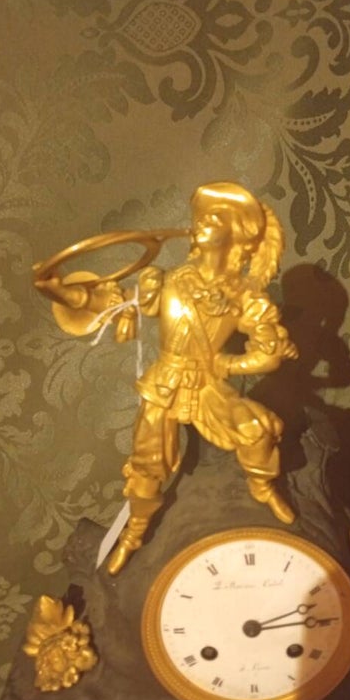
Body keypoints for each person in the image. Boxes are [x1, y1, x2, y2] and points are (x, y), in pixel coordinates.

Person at [35, 182, 298, 573]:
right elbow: (109, 301)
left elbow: (268, 355)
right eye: (201, 217)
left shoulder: (246, 298)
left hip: (209, 388)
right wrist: (59, 291)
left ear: (236, 236)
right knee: (147, 464)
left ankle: (262, 486)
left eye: (215, 219)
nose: (202, 223)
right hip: (164, 385)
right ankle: (133, 534)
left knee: (257, 429)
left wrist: (228, 365)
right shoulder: (168, 281)